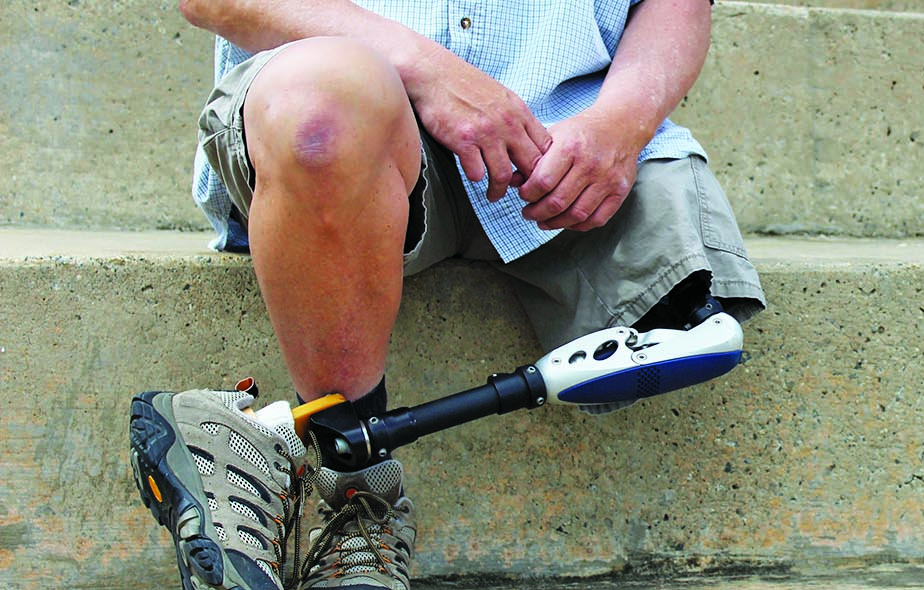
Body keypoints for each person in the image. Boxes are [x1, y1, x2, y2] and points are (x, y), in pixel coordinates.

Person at [127, 1, 765, 589]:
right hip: (352, 110)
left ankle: (250, 443)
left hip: (576, 146)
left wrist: (623, 125)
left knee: (696, 325)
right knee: (320, 117)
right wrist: (430, 72)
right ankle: (357, 492)